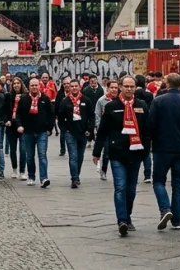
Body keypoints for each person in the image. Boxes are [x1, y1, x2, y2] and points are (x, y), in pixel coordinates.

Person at [94, 75, 149, 237]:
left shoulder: (142, 106)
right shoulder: (112, 107)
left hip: (136, 153)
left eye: (132, 87)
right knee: (120, 187)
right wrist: (97, 152)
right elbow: (103, 131)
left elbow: (147, 131)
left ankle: (128, 216)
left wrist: (146, 150)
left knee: (131, 190)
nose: (129, 89)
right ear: (120, 87)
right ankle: (122, 220)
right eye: (126, 86)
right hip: (117, 153)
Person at [149, 73, 180, 231]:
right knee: (178, 185)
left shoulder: (158, 101)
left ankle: (165, 208)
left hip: (162, 147)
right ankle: (176, 220)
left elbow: (151, 124)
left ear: (167, 84)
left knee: (158, 181)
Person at [15, 78, 54, 187]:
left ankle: (44, 178)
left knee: (42, 155)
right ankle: (31, 176)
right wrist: (19, 126)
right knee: (29, 156)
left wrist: (49, 129)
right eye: (32, 85)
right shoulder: (24, 99)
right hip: (28, 132)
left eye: (36, 85)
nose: (34, 87)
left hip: (42, 132)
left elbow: (51, 114)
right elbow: (18, 115)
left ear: (39, 86)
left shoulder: (45, 99)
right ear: (29, 86)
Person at [58, 78, 93, 188]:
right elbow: (60, 117)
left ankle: (77, 173)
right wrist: (64, 129)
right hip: (70, 132)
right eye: (71, 86)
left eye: (75, 86)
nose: (73, 88)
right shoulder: (65, 101)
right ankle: (74, 178)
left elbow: (91, 115)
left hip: (82, 132)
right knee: (73, 155)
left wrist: (89, 129)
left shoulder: (86, 100)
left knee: (80, 156)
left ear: (79, 87)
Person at [95, 79, 119, 181]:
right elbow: (98, 116)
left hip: (118, 131)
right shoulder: (102, 100)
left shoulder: (120, 100)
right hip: (107, 131)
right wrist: (100, 129)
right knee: (106, 152)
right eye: (112, 88)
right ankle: (104, 170)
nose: (114, 90)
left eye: (116, 88)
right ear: (108, 88)